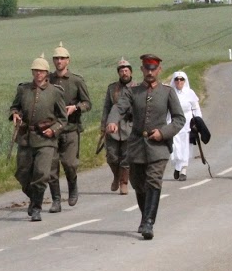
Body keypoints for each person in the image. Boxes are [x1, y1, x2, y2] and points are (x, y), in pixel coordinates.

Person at [106, 54, 185, 240]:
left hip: (159, 146)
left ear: (159, 70)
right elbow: (119, 107)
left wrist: (163, 133)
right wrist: (112, 121)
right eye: (146, 69)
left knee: (153, 181)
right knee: (139, 185)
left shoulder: (167, 92)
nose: (150, 72)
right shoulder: (133, 92)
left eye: (153, 69)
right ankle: (144, 217)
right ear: (142, 70)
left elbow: (179, 119)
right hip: (136, 146)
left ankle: (149, 222)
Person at [9, 55, 67, 222]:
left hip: (46, 140)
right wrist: (15, 114)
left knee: (41, 173)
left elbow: (63, 119)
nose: (38, 74)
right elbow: (15, 107)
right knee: (22, 173)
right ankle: (35, 198)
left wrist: (53, 130)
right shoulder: (23, 90)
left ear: (46, 73)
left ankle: (36, 208)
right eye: (35, 71)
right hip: (26, 138)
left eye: (41, 71)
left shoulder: (55, 92)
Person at [47, 42, 91, 212]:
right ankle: (56, 200)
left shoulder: (76, 81)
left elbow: (88, 103)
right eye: (56, 58)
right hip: (52, 130)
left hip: (71, 128)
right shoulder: (48, 80)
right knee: (51, 166)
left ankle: (73, 186)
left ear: (68, 61)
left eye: (62, 58)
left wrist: (76, 108)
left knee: (70, 163)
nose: (59, 61)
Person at [100, 58, 137, 194]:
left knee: (126, 157)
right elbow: (107, 107)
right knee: (112, 157)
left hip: (129, 126)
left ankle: (124, 182)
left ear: (131, 72)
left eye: (126, 70)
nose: (124, 73)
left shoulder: (137, 88)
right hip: (113, 127)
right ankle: (116, 176)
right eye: (121, 71)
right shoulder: (112, 88)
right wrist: (104, 126)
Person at [169, 71, 202, 182]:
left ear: (185, 80)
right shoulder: (170, 93)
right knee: (174, 148)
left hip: (187, 124)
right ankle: (177, 166)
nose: (179, 81)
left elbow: (196, 108)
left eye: (181, 79)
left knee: (186, 147)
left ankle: (183, 170)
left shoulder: (190, 93)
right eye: (177, 79)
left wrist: (198, 122)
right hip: (173, 123)